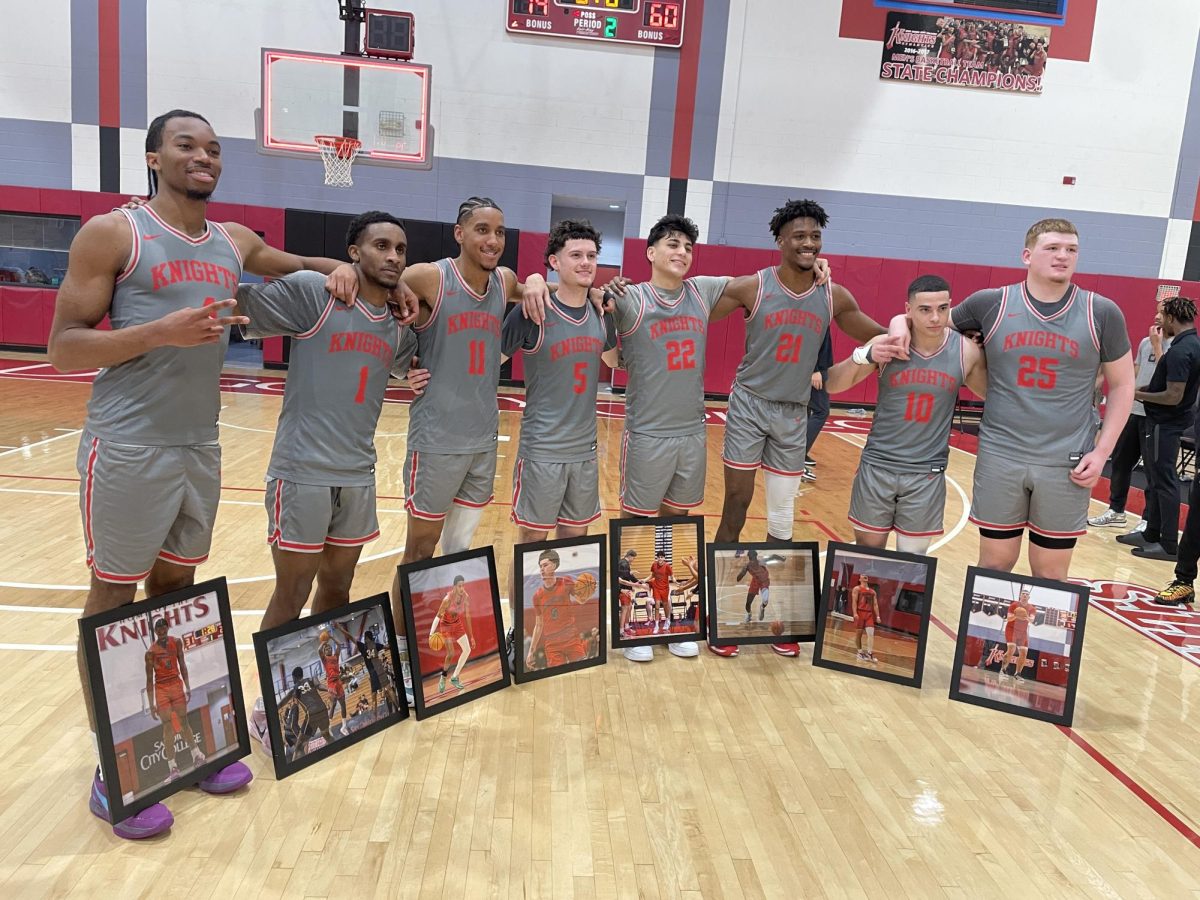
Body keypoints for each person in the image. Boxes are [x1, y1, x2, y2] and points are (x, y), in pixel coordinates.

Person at [47, 109, 383, 840]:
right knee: (112, 600)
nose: (203, 157)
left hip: (199, 448)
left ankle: (187, 747)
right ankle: (116, 768)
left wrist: (343, 268)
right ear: (152, 158)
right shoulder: (115, 232)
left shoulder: (232, 241)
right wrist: (157, 333)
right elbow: (65, 347)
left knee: (177, 593)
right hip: (129, 443)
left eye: (212, 149)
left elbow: (295, 264)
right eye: (185, 146)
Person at [889, 218, 1134, 580]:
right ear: (1027, 255)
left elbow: (1124, 385)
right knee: (995, 563)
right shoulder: (991, 303)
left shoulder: (1101, 312)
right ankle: (989, 639)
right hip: (1001, 454)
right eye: (1052, 248)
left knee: (1050, 572)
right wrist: (898, 322)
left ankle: (1035, 640)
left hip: (1066, 459)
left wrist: (1102, 453)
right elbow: (929, 323)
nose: (1063, 256)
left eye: (1071, 250)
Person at [710, 199, 901, 659]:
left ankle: (776, 618)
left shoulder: (832, 294)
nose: (809, 243)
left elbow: (874, 333)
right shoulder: (752, 286)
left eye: (815, 236)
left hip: (794, 412)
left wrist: (905, 329)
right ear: (780, 240)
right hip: (750, 406)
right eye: (799, 235)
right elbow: (690, 307)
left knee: (781, 516)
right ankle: (724, 614)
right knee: (736, 504)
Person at [236, 212, 424, 633]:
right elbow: (233, 297)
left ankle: (326, 685)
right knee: (292, 592)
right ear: (354, 253)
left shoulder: (397, 327)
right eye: (381, 246)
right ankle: (268, 700)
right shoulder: (314, 294)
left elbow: (408, 365)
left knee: (338, 588)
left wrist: (415, 373)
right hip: (303, 472)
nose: (393, 256)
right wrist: (324, 267)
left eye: (400, 249)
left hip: (358, 474)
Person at [396, 197, 551, 564]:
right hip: (436, 440)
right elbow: (373, 299)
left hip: (482, 439)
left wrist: (537, 279)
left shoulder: (503, 280)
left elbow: (544, 294)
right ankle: (407, 624)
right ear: (459, 233)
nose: (493, 240)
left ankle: (446, 623)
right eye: (482, 230)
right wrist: (400, 365)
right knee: (419, 552)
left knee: (458, 550)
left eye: (499, 232)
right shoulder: (429, 278)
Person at [824, 275, 987, 553]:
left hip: (926, 473)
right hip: (878, 466)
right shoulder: (886, 343)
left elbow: (995, 395)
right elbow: (833, 384)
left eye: (943, 308)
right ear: (908, 310)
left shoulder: (966, 352)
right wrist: (865, 355)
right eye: (925, 309)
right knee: (867, 555)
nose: (935, 317)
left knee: (912, 566)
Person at [502, 220, 619, 543]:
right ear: (554, 262)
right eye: (576, 255)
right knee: (531, 548)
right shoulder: (533, 311)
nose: (586, 263)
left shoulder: (600, 314)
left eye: (592, 256)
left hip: (584, 453)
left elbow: (616, 361)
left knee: (573, 547)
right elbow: (488, 364)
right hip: (543, 451)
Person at [1120, 296, 1200, 561]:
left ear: (1171, 318)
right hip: (1167, 420)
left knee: (1164, 482)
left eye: (1161, 315)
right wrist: (1141, 390)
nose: (1159, 320)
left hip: (1166, 422)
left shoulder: (1180, 350)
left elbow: (1172, 395)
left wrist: (1136, 394)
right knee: (1155, 479)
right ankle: (1151, 533)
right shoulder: (1190, 344)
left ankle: (1167, 544)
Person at [1089, 297, 1171, 528]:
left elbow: (1168, 373)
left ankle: (1148, 520)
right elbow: (1132, 375)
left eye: (1162, 313)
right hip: (1134, 411)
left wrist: (1158, 345)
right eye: (1156, 312)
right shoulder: (1145, 342)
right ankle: (1116, 510)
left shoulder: (1177, 346)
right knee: (1120, 463)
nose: (1156, 317)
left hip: (1156, 416)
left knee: (1153, 473)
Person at [145, 618, 206, 782]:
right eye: (159, 630)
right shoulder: (150, 652)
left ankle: (197, 755)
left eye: (164, 628)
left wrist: (187, 686)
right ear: (156, 632)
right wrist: (151, 704)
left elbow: (183, 664)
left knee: (184, 722)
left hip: (176, 684)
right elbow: (149, 680)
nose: (162, 632)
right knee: (167, 728)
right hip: (161, 689)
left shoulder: (177, 642)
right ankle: (172, 767)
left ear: (167, 628)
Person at [525, 549, 590, 669]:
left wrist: (587, 589)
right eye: (540, 566)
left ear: (554, 566)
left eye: (545, 565)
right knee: (557, 678)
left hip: (571, 638)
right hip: (552, 644)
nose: (542, 569)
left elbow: (581, 600)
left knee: (582, 671)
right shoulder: (537, 596)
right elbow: (538, 625)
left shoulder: (566, 582)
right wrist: (531, 651)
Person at [430, 575, 476, 693]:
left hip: (457, 624)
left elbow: (468, 616)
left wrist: (471, 637)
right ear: (454, 587)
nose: (462, 588)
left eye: (463, 585)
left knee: (467, 650)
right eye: (460, 586)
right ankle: (443, 677)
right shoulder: (447, 599)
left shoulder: (465, 597)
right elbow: (437, 617)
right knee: (451, 653)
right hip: (445, 626)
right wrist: (431, 634)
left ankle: (454, 677)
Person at [280, 666, 336, 762]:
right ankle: (338, 750)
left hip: (312, 715)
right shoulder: (312, 678)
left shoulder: (294, 689)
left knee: (299, 747)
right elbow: (319, 686)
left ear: (294, 677)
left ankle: (295, 768)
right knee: (327, 735)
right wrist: (328, 689)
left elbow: (281, 703)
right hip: (323, 710)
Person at [318, 631, 350, 737]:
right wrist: (324, 641)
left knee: (343, 705)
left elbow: (339, 645)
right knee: (333, 705)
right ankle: (329, 727)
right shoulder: (325, 659)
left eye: (329, 648)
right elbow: (319, 650)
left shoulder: (335, 657)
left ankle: (343, 727)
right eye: (326, 649)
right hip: (331, 684)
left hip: (338, 682)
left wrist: (331, 637)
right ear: (324, 651)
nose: (328, 649)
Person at [1001, 589, 1036, 679]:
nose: (1024, 595)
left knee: (1024, 653)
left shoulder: (1032, 608)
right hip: (1011, 629)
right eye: (1023, 594)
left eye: (1026, 594)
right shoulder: (1014, 605)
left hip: (1022, 632)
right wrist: (1016, 615)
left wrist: (1025, 616)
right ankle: (1003, 670)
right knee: (1011, 649)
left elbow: (1032, 620)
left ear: (1029, 597)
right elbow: (1008, 619)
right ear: (1020, 596)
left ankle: (1018, 674)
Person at [617, 549, 647, 642]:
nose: (633, 560)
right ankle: (621, 631)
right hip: (623, 591)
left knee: (629, 607)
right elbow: (622, 579)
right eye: (633, 558)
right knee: (625, 609)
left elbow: (627, 576)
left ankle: (626, 627)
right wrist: (637, 584)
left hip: (626, 589)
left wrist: (636, 581)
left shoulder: (624, 563)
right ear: (630, 556)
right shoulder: (624, 564)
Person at [851, 575, 881, 662]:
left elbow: (875, 604)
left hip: (869, 614)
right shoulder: (857, 589)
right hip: (860, 613)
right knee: (858, 635)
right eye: (863, 576)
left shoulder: (872, 591)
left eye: (866, 576)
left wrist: (878, 616)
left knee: (871, 634)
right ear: (860, 579)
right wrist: (855, 613)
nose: (865, 577)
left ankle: (869, 653)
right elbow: (854, 602)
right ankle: (860, 652)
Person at [737, 549, 771, 623]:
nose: (752, 559)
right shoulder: (747, 566)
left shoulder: (761, 562)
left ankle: (762, 608)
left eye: (753, 557)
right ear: (749, 558)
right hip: (755, 582)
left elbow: (772, 557)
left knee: (765, 600)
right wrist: (742, 573)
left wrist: (781, 558)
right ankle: (749, 614)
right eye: (750, 558)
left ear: (756, 556)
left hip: (764, 582)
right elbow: (739, 578)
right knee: (748, 603)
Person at [649, 550, 675, 635]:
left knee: (665, 605)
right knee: (656, 605)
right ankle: (656, 626)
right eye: (659, 557)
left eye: (662, 557)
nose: (660, 559)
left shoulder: (667, 566)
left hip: (665, 589)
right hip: (656, 587)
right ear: (657, 558)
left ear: (664, 558)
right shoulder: (654, 565)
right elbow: (652, 575)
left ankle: (667, 620)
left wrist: (676, 581)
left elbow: (672, 576)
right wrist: (644, 580)